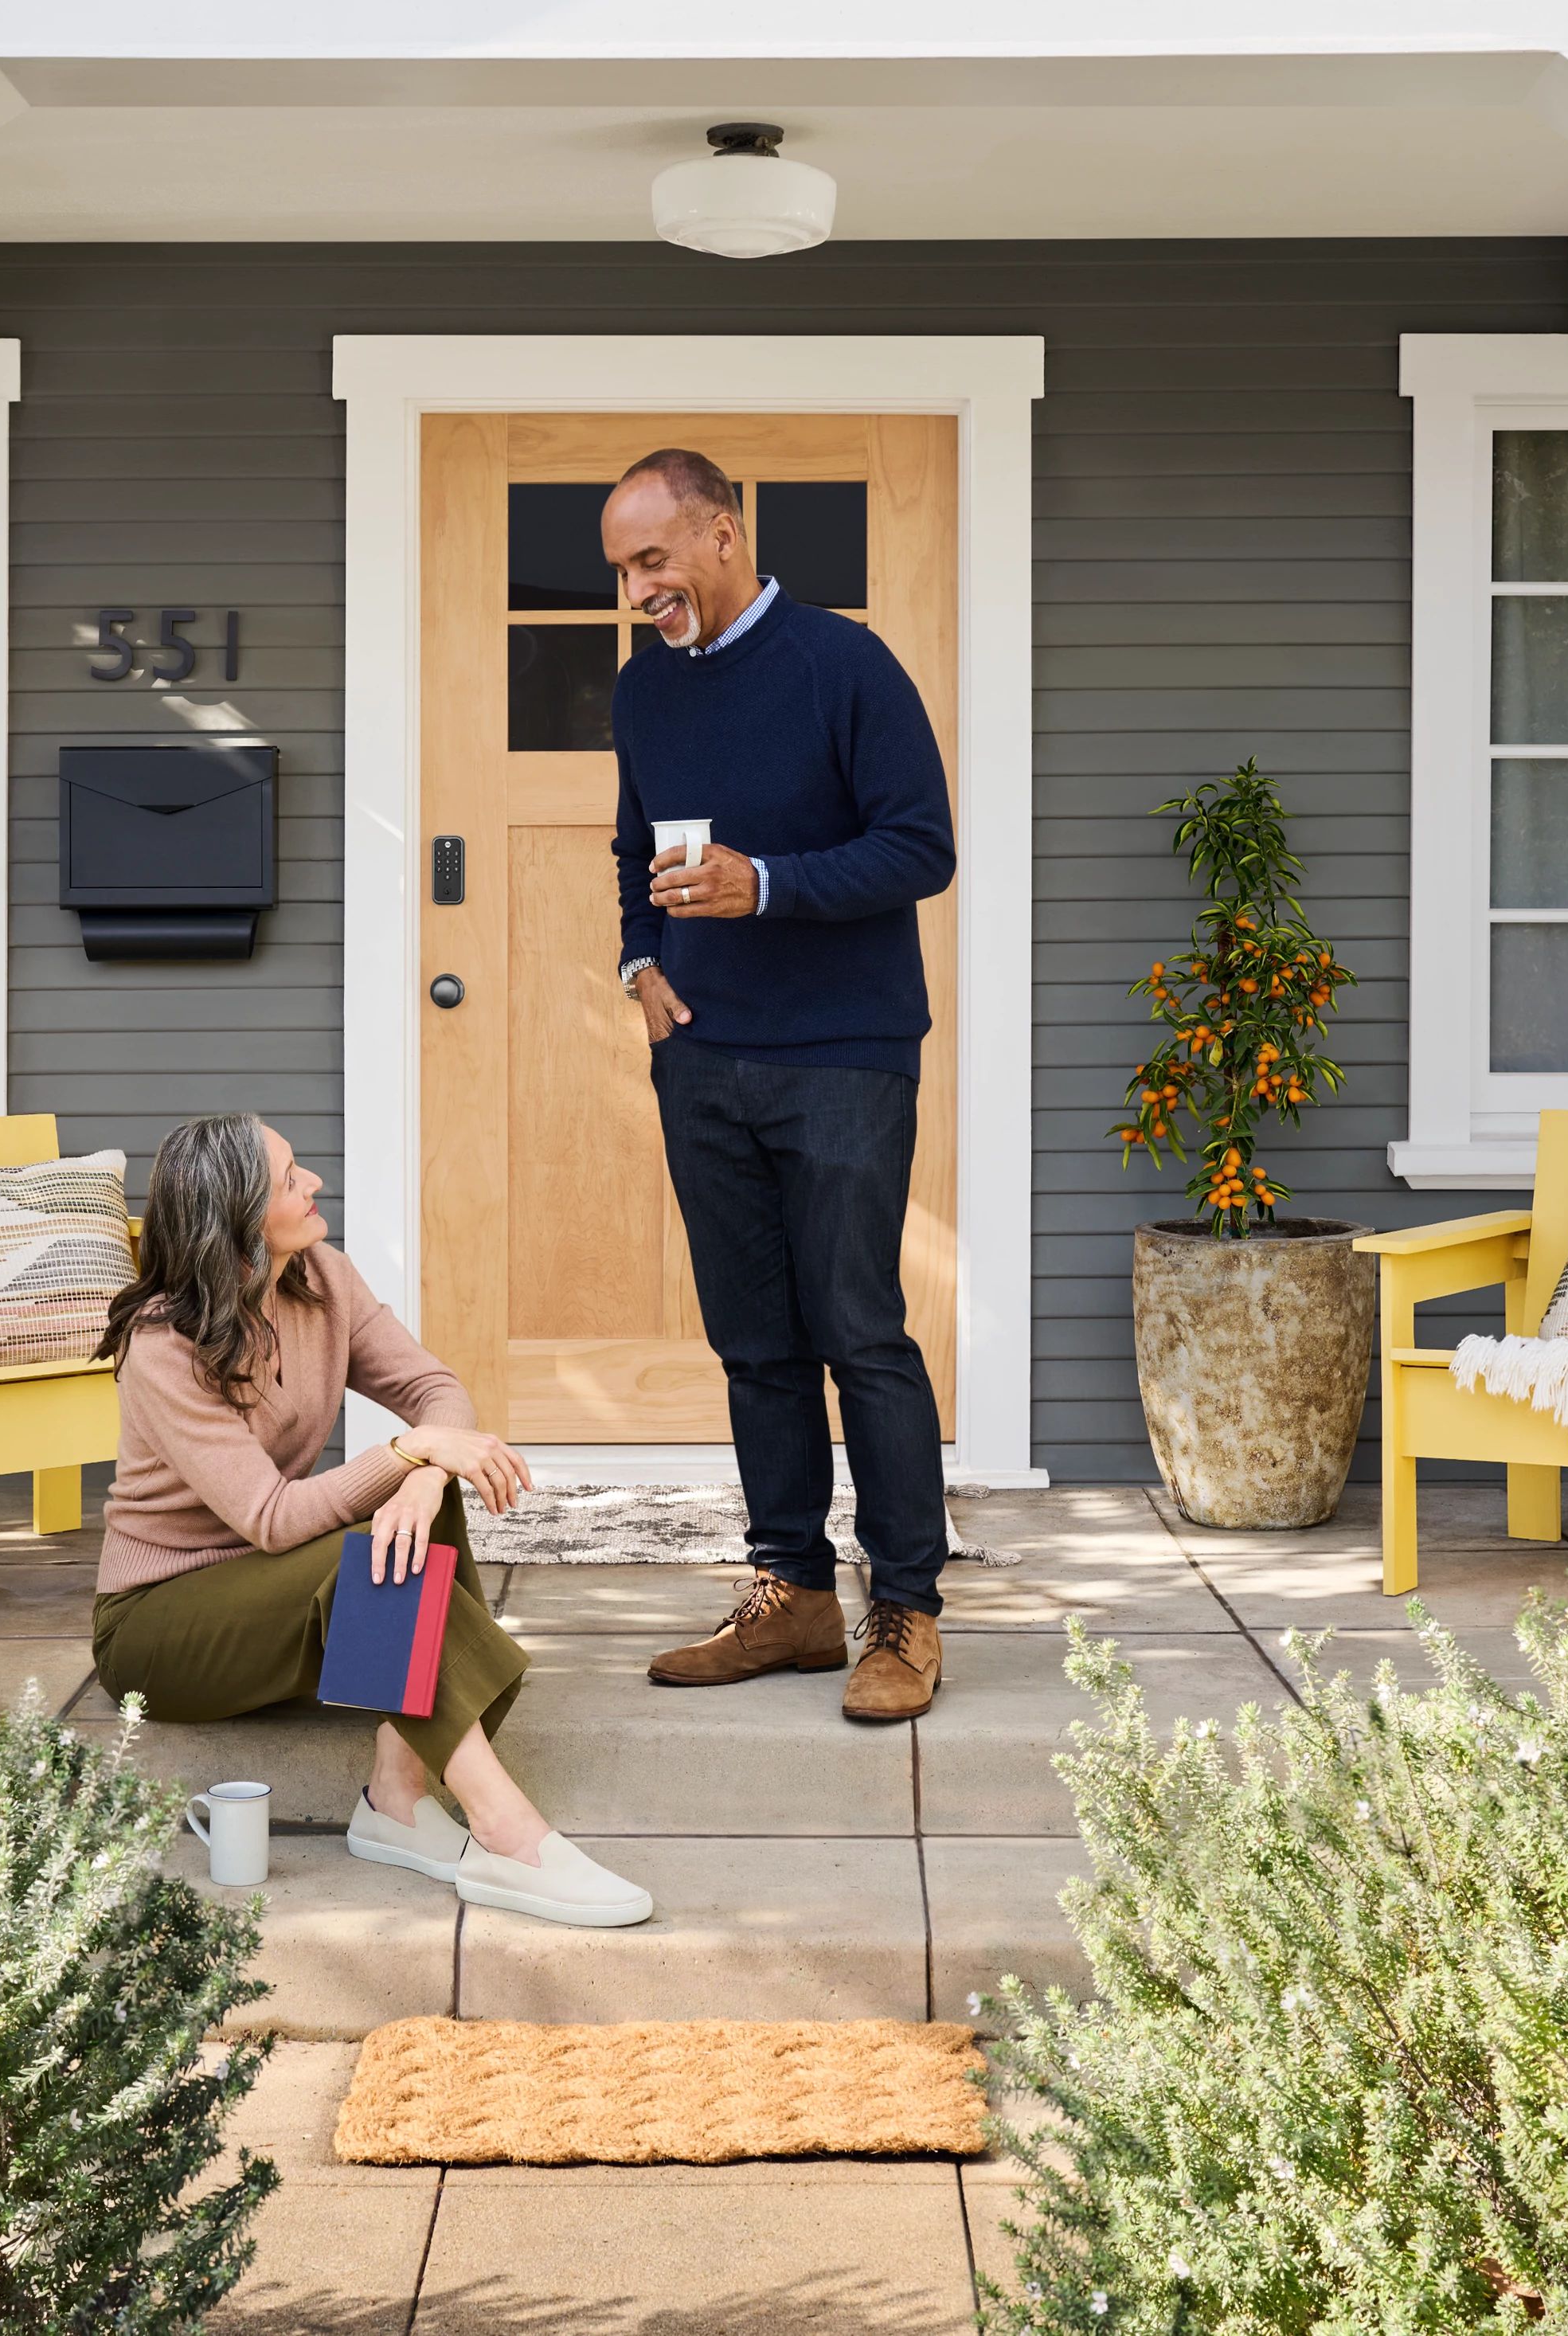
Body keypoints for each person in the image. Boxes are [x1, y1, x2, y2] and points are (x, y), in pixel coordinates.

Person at [88, 1110, 651, 1929]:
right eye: (288, 1178)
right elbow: (274, 1519)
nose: (313, 1182)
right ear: (236, 1218)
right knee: (359, 1543)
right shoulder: (162, 1347)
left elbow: (436, 1392)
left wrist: (422, 1471)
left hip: (264, 1593)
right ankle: (508, 1833)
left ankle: (397, 1790)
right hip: (159, 1625)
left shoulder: (318, 1278)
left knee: (424, 1498)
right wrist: (410, 1452)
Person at [600, 445, 960, 1724]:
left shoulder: (843, 665)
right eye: (623, 572)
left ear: (722, 535)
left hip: (847, 1056)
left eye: (653, 559)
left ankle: (904, 1612)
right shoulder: (645, 691)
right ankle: (793, 1595)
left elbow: (923, 846)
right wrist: (642, 960)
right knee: (754, 1342)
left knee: (859, 1332)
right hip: (703, 1057)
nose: (639, 590)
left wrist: (774, 885)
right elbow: (633, 842)